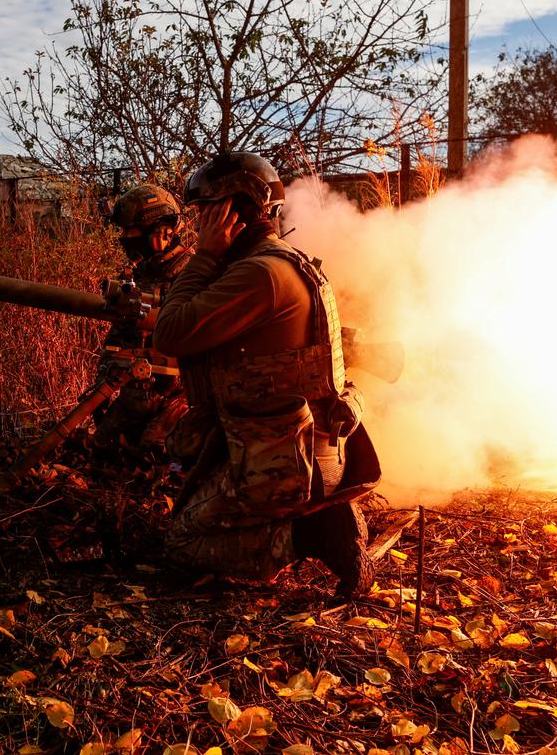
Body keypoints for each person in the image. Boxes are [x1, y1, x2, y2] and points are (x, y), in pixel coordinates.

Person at [151, 152, 380, 600]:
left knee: (182, 541)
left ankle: (315, 534)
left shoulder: (259, 274)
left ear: (230, 212)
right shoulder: (280, 262)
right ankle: (311, 517)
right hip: (300, 450)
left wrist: (204, 256)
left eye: (204, 213)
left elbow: (171, 333)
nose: (198, 225)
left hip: (283, 463)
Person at [91, 185, 193, 453]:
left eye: (130, 232)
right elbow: (118, 339)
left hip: (180, 398)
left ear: (162, 232)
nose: (125, 238)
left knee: (154, 450)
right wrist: (103, 383)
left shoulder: (194, 275)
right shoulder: (141, 273)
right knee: (101, 446)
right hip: (137, 394)